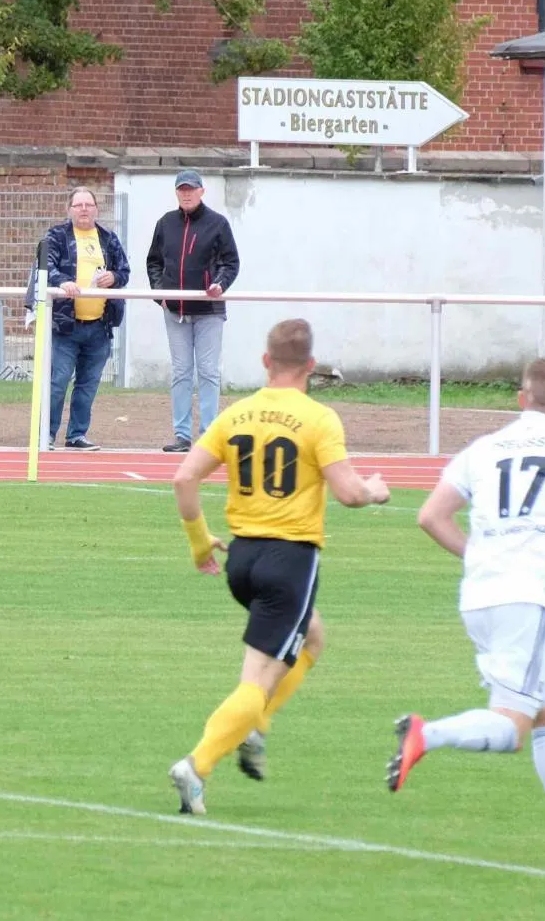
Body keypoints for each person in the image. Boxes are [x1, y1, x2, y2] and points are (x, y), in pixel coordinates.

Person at [387, 358, 545, 866]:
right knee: (512, 727)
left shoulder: (485, 448)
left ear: (521, 399)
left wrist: (479, 556)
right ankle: (426, 734)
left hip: (477, 598)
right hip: (527, 599)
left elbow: (430, 516)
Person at [165, 318, 389, 815]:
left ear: (266, 361)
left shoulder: (236, 414)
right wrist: (374, 490)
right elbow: (349, 493)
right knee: (257, 678)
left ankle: (256, 727)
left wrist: (200, 545)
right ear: (311, 366)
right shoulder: (319, 419)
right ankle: (198, 765)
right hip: (289, 562)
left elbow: (184, 479)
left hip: (241, 560)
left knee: (313, 637)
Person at [145, 169, 238, 453]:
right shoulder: (165, 223)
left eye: (191, 189)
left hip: (209, 311)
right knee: (181, 372)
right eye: (182, 189)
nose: (186, 194)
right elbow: (154, 262)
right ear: (176, 193)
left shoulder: (218, 223)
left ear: (201, 191)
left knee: (208, 371)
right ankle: (182, 435)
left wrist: (219, 284)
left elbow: (231, 262)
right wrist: (161, 295)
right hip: (175, 311)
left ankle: (209, 435)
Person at [38, 187, 130, 451]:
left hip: (99, 326)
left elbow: (124, 271)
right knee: (57, 382)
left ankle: (76, 434)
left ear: (96, 209)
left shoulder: (108, 239)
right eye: (78, 205)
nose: (84, 209)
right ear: (69, 209)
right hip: (65, 326)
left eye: (88, 204)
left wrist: (114, 277)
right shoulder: (56, 236)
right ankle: (47, 434)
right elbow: (46, 267)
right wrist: (62, 281)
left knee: (87, 385)